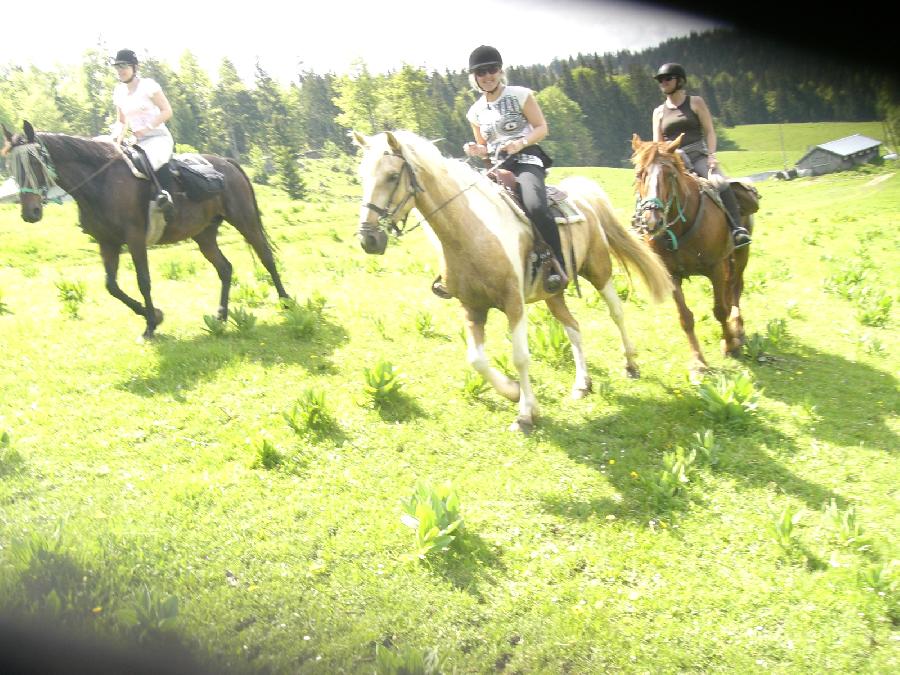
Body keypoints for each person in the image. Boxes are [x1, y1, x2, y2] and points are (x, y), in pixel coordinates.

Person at [462, 45, 567, 294]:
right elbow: (484, 146)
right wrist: (477, 150)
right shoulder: (474, 112)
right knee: (468, 210)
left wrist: (520, 142)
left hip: (526, 160)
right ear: (474, 77)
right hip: (496, 167)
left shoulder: (520, 94)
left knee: (536, 206)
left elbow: (541, 127)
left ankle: (557, 264)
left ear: (500, 71)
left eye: (492, 70)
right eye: (481, 72)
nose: (487, 76)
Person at [652, 62, 751, 248]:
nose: (663, 82)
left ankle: (737, 229)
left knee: (719, 183)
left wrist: (712, 155)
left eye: (667, 78)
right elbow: (658, 144)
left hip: (698, 156)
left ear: (680, 81)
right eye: (660, 80)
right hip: (674, 160)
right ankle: (646, 229)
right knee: (651, 189)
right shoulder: (658, 112)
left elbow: (710, 131)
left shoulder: (695, 102)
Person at [110, 48, 176, 223]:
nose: (120, 71)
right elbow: (122, 122)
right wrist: (115, 140)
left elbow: (167, 111)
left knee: (147, 159)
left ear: (134, 67)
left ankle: (166, 198)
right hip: (137, 141)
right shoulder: (118, 92)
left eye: (124, 66)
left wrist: (147, 128)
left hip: (158, 137)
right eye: (117, 67)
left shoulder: (148, 86)